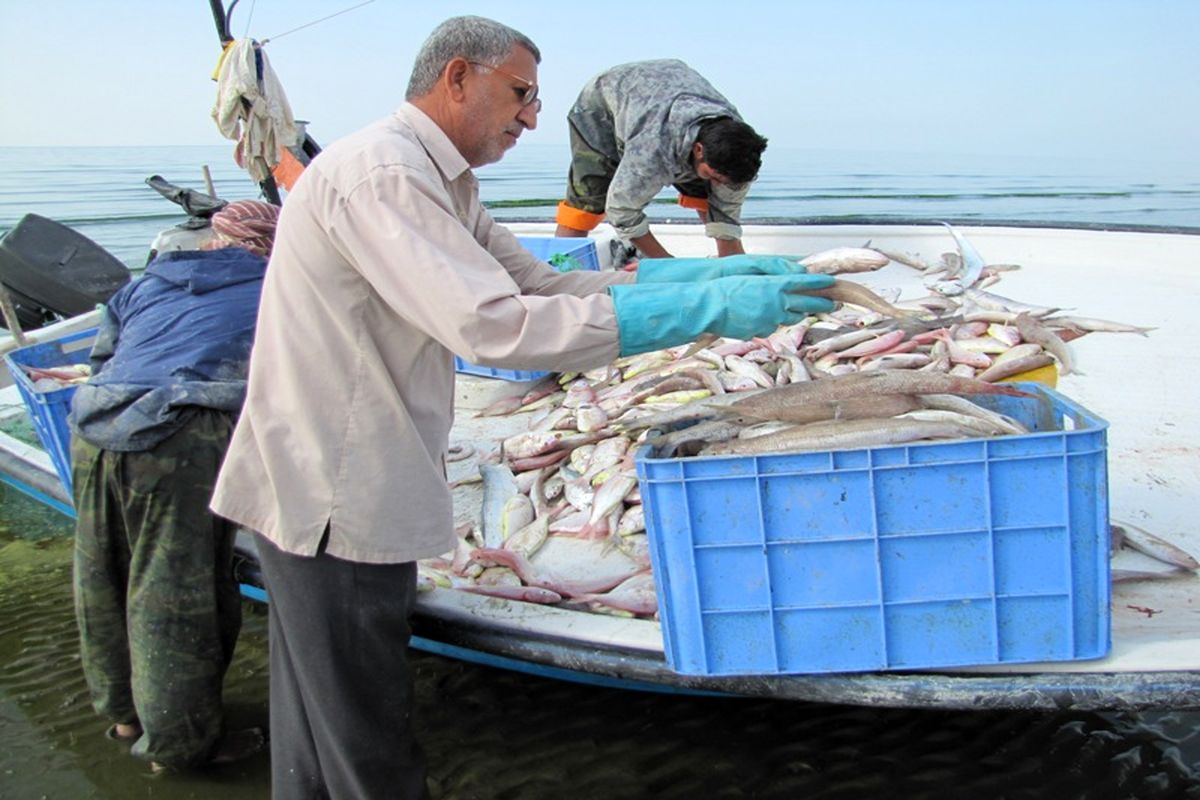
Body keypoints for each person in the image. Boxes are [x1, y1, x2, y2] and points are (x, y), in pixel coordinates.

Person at [208, 15, 834, 799]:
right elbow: (492, 325)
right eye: (521, 93)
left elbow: (539, 285)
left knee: (321, 725)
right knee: (363, 739)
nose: (535, 117)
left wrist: (705, 284)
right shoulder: (384, 175)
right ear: (458, 77)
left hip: (350, 477)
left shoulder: (439, 180)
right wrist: (695, 317)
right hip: (334, 492)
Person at [68, 199, 278, 773]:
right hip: (179, 432)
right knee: (177, 594)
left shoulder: (150, 281)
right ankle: (181, 748)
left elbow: (103, 358)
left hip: (92, 425)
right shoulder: (279, 285)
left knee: (102, 574)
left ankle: (122, 716)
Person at [554, 59, 769, 259]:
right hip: (603, 102)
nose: (720, 186)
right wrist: (668, 265)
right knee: (588, 199)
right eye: (715, 177)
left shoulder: (740, 147)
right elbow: (621, 210)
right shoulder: (652, 149)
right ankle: (558, 269)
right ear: (699, 149)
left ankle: (731, 266)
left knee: (706, 190)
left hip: (670, 91)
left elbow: (726, 209)